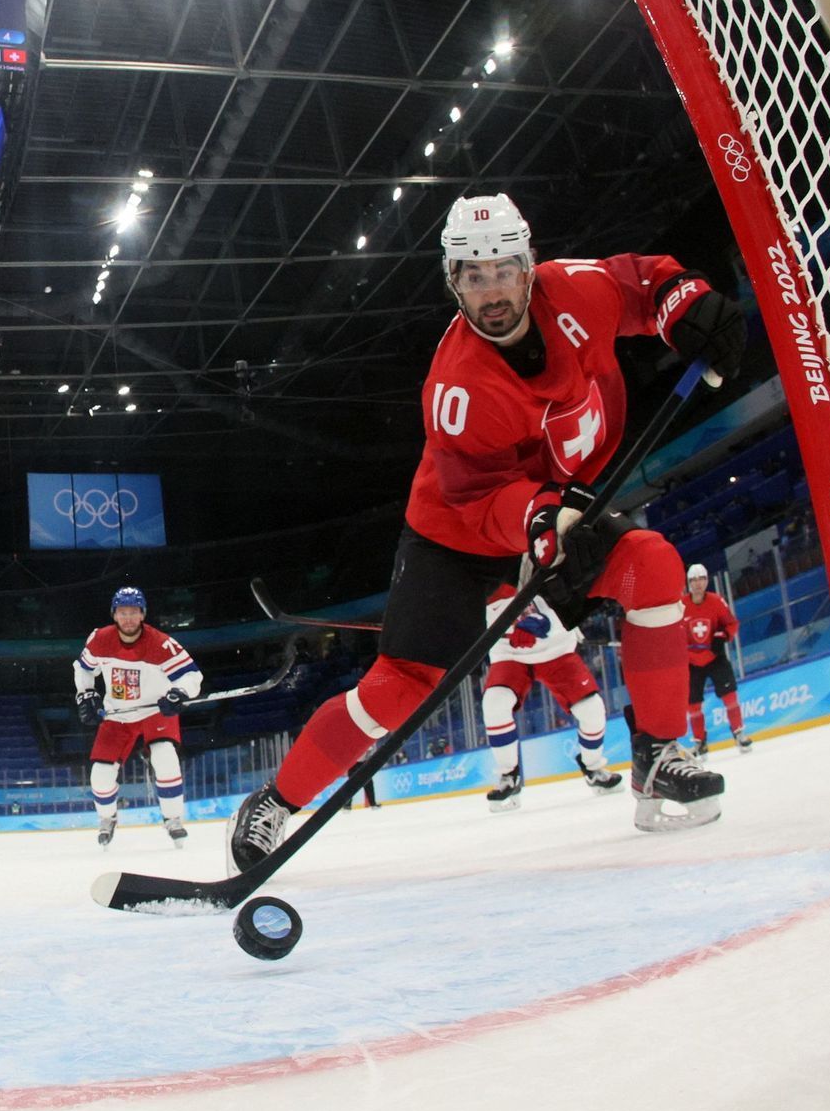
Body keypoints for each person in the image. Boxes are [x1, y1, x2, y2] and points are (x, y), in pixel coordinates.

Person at [228, 193, 743, 867]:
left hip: (557, 508)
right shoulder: (458, 386)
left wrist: (686, 305)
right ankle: (275, 801)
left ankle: (654, 754)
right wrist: (539, 518)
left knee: (651, 563)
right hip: (458, 536)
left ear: (527, 266)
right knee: (398, 685)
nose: (490, 290)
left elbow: (643, 282)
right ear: (452, 282)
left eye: (501, 269)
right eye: (472, 275)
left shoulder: (577, 290)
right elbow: (473, 494)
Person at [73, 586, 201, 849]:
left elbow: (192, 676)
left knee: (165, 757)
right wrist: (85, 694)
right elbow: (83, 669)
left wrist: (179, 692)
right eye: (123, 612)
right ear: (114, 614)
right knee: (100, 775)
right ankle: (107, 819)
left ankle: (173, 818)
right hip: (117, 713)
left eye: (133, 612)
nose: (128, 618)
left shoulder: (161, 643)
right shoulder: (99, 639)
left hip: (155, 710)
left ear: (142, 614)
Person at [478, 584, 623, 811]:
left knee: (592, 709)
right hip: (509, 653)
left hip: (556, 649)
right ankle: (509, 775)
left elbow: (571, 595)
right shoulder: (484, 567)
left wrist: (548, 623)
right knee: (495, 703)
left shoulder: (541, 552)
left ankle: (593, 767)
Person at [683, 563, 754, 755]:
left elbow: (731, 624)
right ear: (688, 582)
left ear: (706, 580)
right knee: (693, 705)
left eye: (701, 579)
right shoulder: (681, 606)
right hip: (691, 662)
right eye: (693, 580)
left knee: (730, 696)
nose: (698, 584)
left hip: (715, 657)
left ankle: (739, 733)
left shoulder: (716, 601)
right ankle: (699, 742)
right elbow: (673, 634)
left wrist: (723, 635)